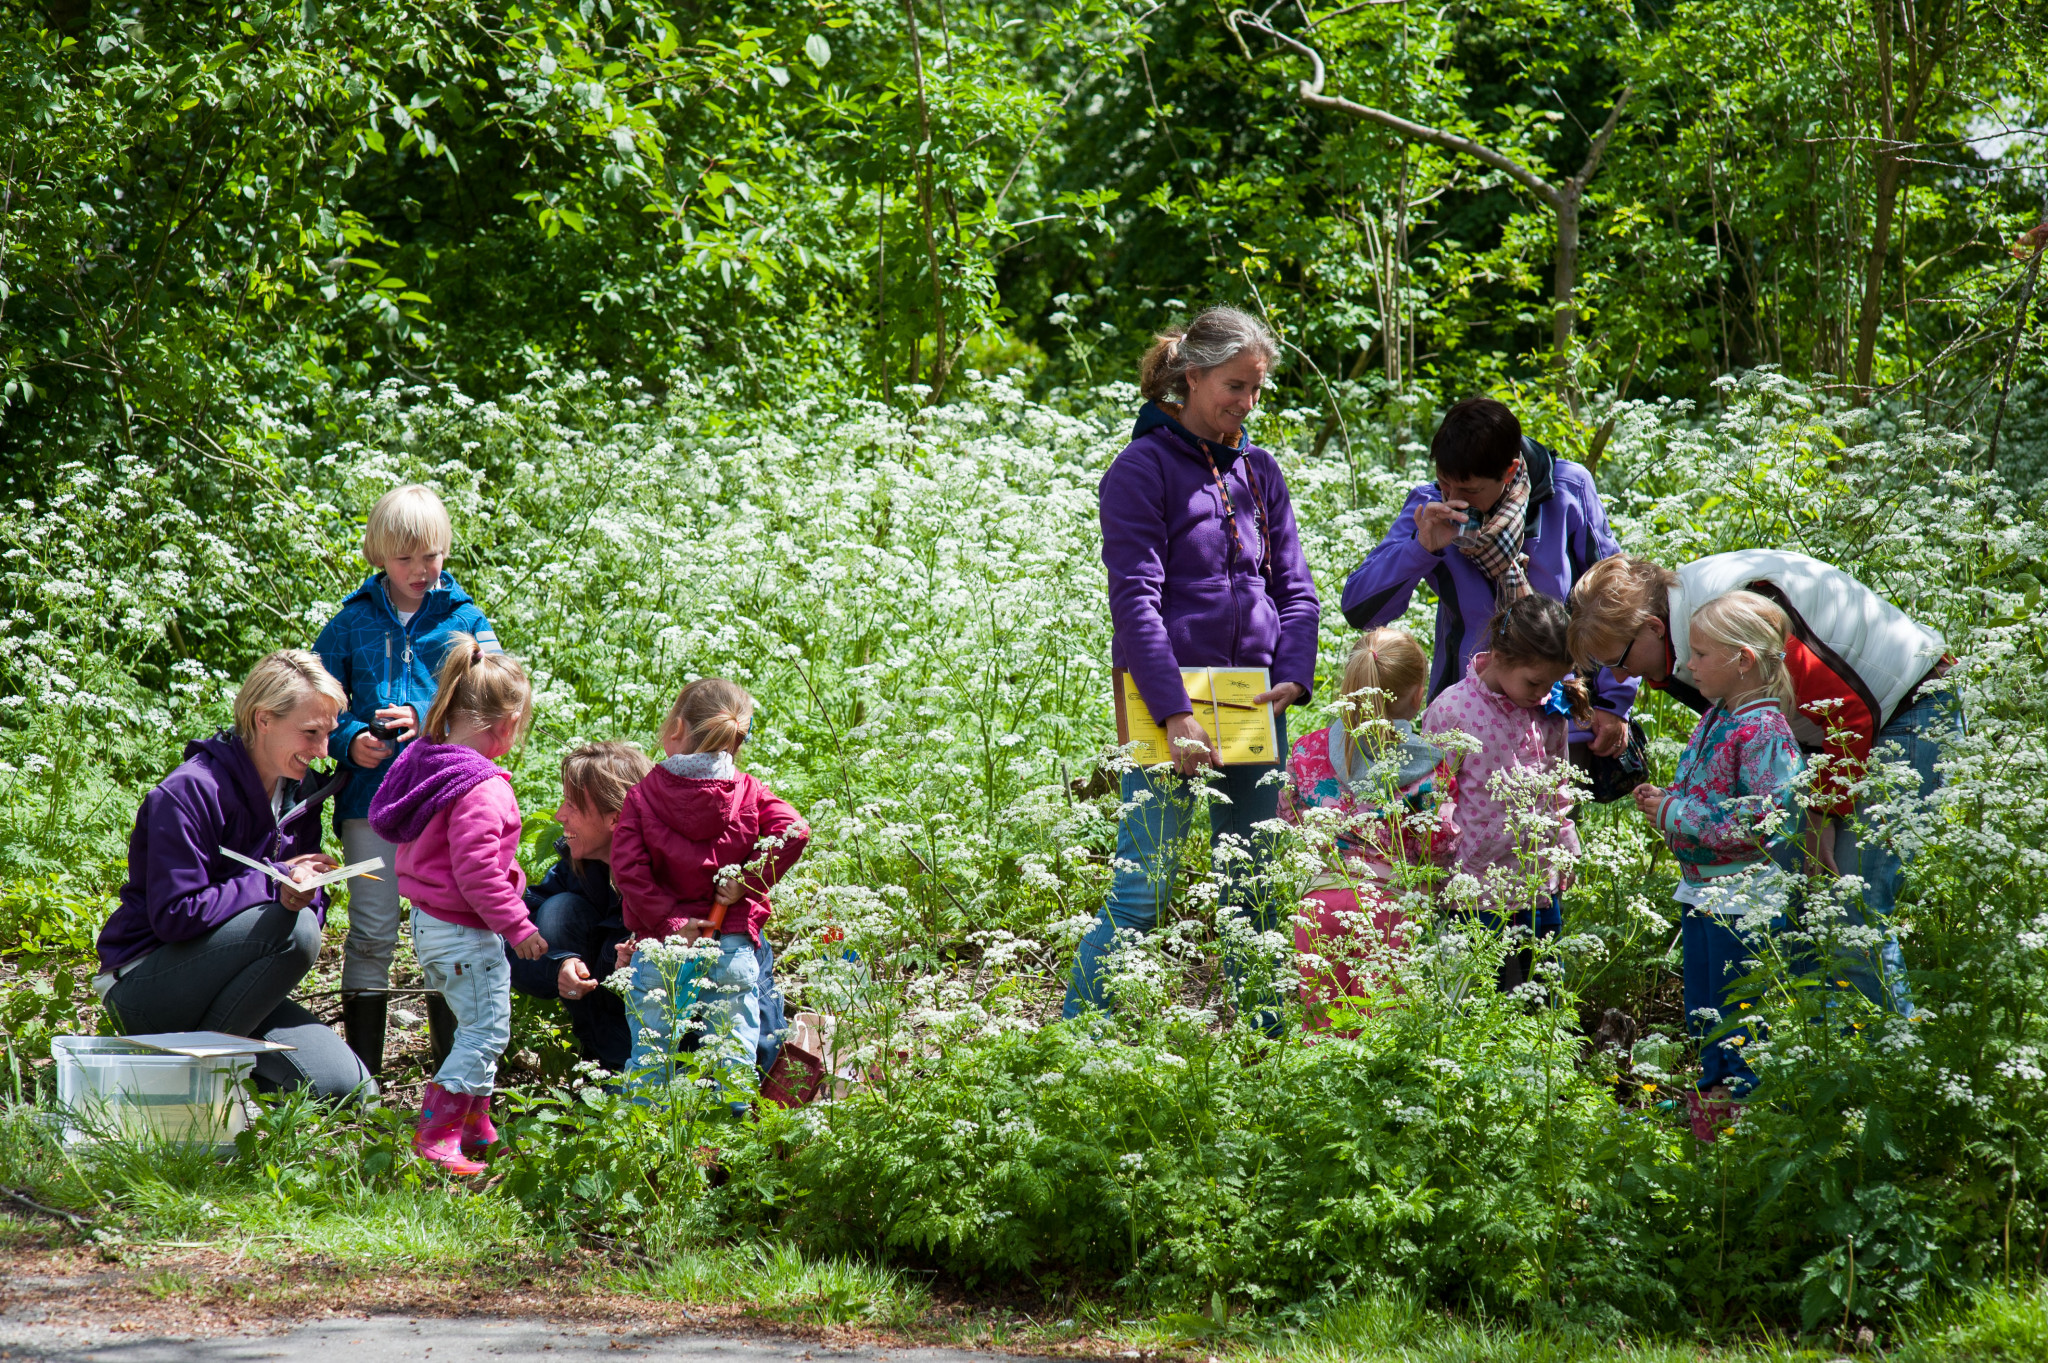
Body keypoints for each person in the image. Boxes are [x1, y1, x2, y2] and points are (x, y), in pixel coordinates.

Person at [1068, 306, 1321, 1022]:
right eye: (1234, 387)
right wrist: (1174, 712)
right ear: (1193, 375)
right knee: (1142, 894)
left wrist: (1294, 678)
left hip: (1252, 703)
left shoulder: (1262, 471)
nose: (1246, 404)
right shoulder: (1139, 468)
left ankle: (1265, 1050)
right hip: (1165, 704)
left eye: (1257, 391)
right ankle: (1071, 1046)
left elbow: (1296, 590)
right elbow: (1136, 604)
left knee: (1255, 888)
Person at [1568, 550, 1953, 1015]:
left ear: (1652, 626)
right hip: (1829, 739)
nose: (1620, 677)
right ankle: (1815, 1057)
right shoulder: (1687, 643)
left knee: (1850, 905)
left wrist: (1820, 813)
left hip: (1907, 712)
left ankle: (1889, 1065)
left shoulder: (1728, 621)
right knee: (1801, 906)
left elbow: (1847, 713)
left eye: (1620, 661)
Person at [93, 652, 375, 1101]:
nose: (322, 751)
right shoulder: (189, 791)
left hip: (234, 987)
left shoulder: (300, 794)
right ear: (263, 719)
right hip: (148, 983)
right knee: (295, 932)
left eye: (328, 734)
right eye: (310, 733)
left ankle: (211, 1071)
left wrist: (306, 894)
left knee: (350, 1090)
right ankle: (186, 1085)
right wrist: (274, 882)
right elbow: (174, 916)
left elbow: (300, 907)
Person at [314, 483, 501, 1077]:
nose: (420, 570)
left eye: (432, 556)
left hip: (446, 803)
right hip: (369, 803)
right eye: (405, 558)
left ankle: (452, 1071)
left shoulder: (466, 622)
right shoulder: (347, 625)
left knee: (447, 933)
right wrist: (348, 741)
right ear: (377, 556)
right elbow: (314, 703)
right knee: (372, 930)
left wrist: (427, 718)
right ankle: (362, 1077)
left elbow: (496, 699)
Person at [1340, 396, 1636, 761]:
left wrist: (1613, 703)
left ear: (1509, 472)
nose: (1454, 500)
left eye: (1469, 491)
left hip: (1558, 716)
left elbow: (1617, 600)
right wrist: (1421, 548)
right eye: (1444, 483)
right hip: (1464, 722)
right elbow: (1358, 609)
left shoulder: (1567, 491)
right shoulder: (1429, 507)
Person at [1631, 593, 1805, 1135]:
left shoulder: (1764, 731)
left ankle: (1741, 1113)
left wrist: (1676, 813)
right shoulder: (1721, 717)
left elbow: (1768, 820)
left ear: (1743, 660)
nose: (1688, 665)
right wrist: (1668, 801)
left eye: (1702, 655)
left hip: (1743, 896)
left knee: (1737, 1010)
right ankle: (1712, 1100)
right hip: (1704, 889)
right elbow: (1710, 796)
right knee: (1704, 1006)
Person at [368, 634, 542, 1175]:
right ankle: (437, 1132)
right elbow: (476, 871)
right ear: (507, 725)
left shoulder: (430, 760)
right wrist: (519, 926)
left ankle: (475, 1124)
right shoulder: (484, 788)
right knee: (487, 1030)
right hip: (465, 930)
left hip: (427, 923)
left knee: (478, 1022)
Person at [611, 678, 810, 1106]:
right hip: (730, 944)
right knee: (731, 1054)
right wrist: (749, 880)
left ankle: (649, 1152)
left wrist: (672, 923)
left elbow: (628, 871)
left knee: (653, 1054)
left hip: (662, 951)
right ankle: (731, 1150)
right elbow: (795, 830)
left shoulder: (643, 795)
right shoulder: (749, 791)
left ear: (676, 729)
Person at [1281, 628, 1457, 1030]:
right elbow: (1439, 845)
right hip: (1389, 908)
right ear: (1418, 696)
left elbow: (1289, 814)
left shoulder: (1308, 748)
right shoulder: (1432, 765)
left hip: (1319, 905)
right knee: (1383, 1035)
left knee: (1323, 1028)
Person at [1420, 594, 1584, 992]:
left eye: (1551, 683)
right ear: (1499, 655)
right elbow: (1432, 797)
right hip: (1474, 892)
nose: (1542, 692)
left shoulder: (1548, 709)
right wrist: (1436, 874)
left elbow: (1557, 785)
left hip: (1536, 884)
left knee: (1538, 997)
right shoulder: (1453, 709)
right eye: (1534, 682)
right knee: (1475, 1001)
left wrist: (1566, 845)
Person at [507, 741, 652, 1076]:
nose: (559, 815)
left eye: (573, 805)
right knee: (560, 909)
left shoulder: (672, 872)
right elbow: (512, 936)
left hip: (676, 1051)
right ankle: (602, 1056)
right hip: (606, 1032)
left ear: (615, 818)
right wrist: (555, 968)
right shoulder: (577, 867)